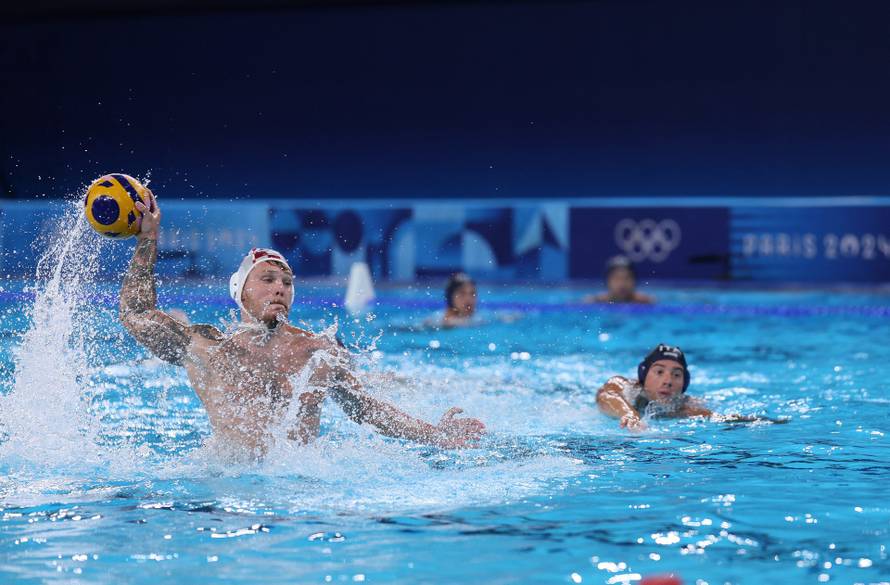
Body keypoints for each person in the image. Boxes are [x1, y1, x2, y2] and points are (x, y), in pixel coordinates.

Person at [119, 189, 486, 459]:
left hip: (299, 490)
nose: (280, 288)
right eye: (267, 279)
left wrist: (434, 434)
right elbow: (136, 315)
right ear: (241, 291)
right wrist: (148, 239)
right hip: (228, 487)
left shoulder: (317, 352)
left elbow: (365, 409)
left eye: (287, 283)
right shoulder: (207, 348)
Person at [596, 344, 755, 431]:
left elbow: (723, 419)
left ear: (684, 384)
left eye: (677, 375)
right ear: (643, 376)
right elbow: (605, 395)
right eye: (659, 372)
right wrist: (630, 414)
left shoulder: (686, 409)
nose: (668, 381)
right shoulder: (623, 386)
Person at [584, 255, 654, 304]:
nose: (622, 283)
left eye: (627, 278)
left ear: (634, 281)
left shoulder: (646, 302)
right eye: (617, 278)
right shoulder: (595, 302)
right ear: (608, 281)